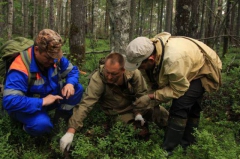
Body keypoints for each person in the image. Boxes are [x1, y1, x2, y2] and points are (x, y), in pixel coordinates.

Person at [124, 32, 222, 154]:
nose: (138, 69)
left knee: (180, 106)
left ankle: (169, 150)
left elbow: (178, 89)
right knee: (191, 106)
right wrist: (153, 103)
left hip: (202, 68)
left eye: (139, 65)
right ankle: (188, 143)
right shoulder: (148, 53)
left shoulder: (173, 60)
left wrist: (151, 96)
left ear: (151, 58)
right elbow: (152, 81)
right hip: (187, 63)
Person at [60, 52, 169, 152]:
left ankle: (174, 141)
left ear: (123, 70)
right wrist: (71, 131)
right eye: (107, 72)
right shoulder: (98, 78)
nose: (109, 77)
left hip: (136, 105)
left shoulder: (134, 73)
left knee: (162, 114)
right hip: (118, 111)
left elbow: (142, 95)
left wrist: (139, 113)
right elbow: (86, 104)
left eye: (114, 74)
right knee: (136, 130)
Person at [3, 29, 84, 136]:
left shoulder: (54, 58)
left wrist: (70, 83)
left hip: (51, 97)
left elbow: (72, 71)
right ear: (36, 50)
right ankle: (26, 128)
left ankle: (60, 119)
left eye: (55, 58)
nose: (52, 61)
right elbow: (10, 101)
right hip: (29, 105)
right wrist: (42, 102)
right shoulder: (20, 67)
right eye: (48, 58)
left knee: (77, 88)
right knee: (42, 125)